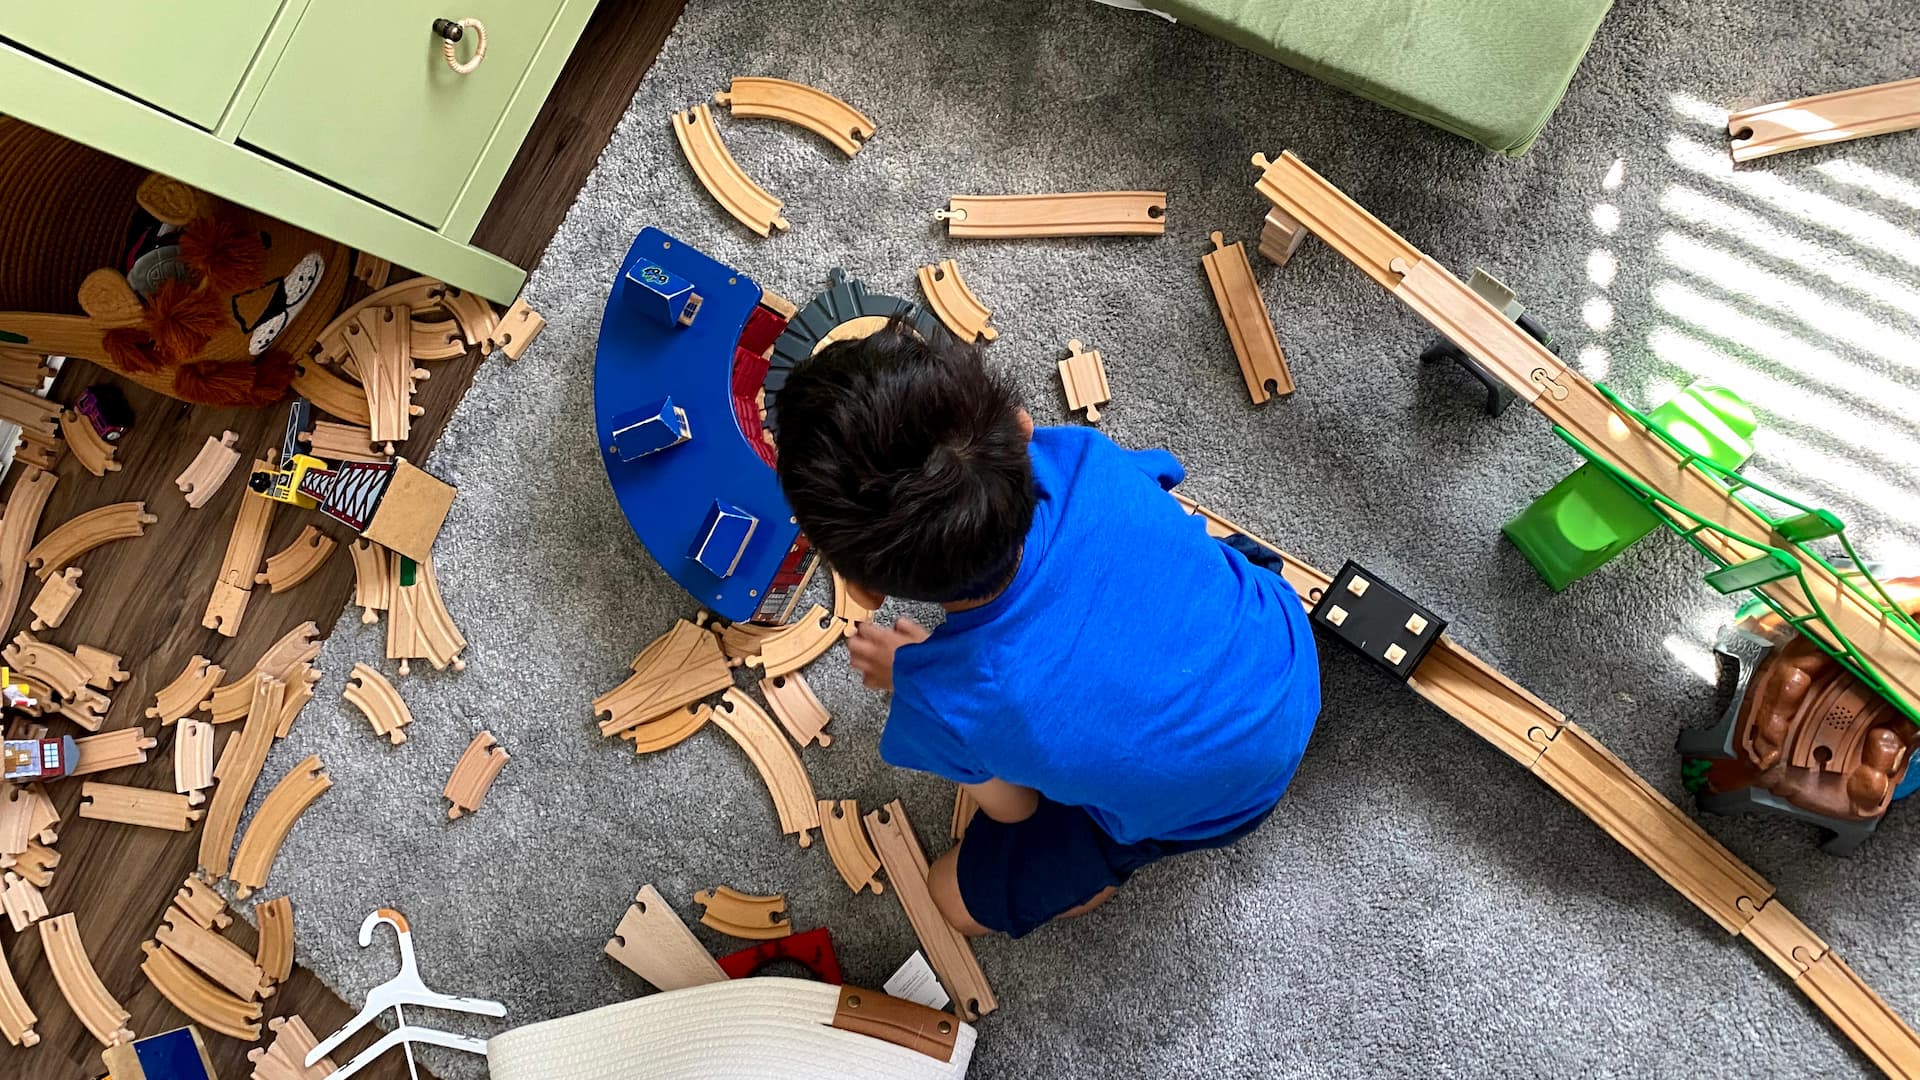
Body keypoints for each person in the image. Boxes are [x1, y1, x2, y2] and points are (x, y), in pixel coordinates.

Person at [774, 319, 1321, 938]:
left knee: (948, 896)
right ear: (1021, 425)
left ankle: (1104, 872)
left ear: (865, 592)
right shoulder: (1084, 458)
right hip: (1284, 647)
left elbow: (1017, 808)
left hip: (1223, 802)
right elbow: (1161, 483)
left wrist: (909, 673)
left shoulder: (946, 699)